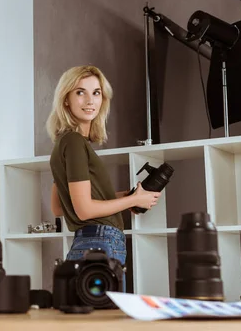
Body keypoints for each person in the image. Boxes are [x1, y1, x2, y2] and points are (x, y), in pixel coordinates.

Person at [46, 65, 160, 292]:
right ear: (66, 99)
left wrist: (127, 196)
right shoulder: (75, 143)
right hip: (101, 243)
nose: (90, 100)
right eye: (80, 92)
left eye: (96, 92)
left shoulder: (64, 143)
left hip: (86, 243)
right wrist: (132, 202)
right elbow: (85, 210)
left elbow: (59, 207)